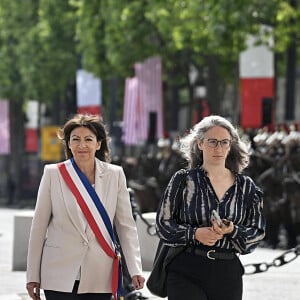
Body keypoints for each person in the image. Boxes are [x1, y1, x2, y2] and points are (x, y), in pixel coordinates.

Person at [26, 114, 145, 300]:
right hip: (59, 271)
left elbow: (126, 226)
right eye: (75, 139)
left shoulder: (115, 175)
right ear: (68, 144)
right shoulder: (53, 174)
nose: (82, 145)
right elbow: (38, 228)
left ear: (98, 144)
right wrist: (32, 276)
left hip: (100, 272)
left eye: (88, 139)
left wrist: (135, 269)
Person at [156, 115, 266, 300]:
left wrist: (233, 230)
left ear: (231, 145)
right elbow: (163, 225)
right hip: (185, 268)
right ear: (200, 143)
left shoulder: (247, 187)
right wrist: (195, 234)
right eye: (213, 142)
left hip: (227, 271)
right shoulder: (183, 180)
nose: (219, 148)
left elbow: (257, 233)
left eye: (224, 142)